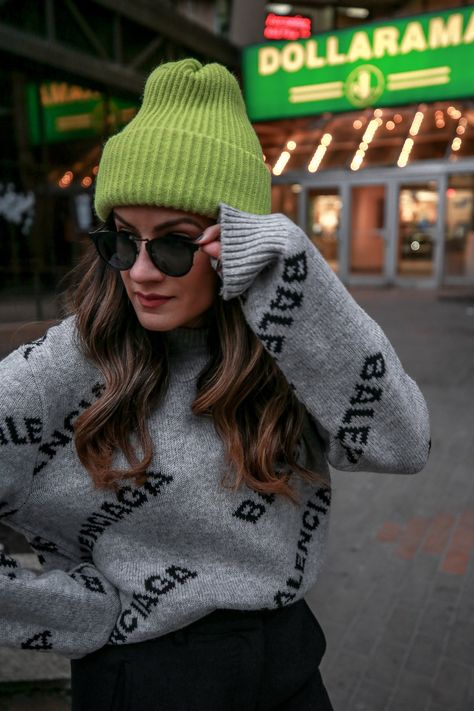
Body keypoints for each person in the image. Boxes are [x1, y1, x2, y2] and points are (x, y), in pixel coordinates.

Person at [0, 59, 431, 710]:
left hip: (287, 664)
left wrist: (299, 283)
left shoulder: (289, 348)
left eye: (172, 244)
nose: (141, 271)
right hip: (144, 680)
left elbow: (403, 442)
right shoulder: (70, 362)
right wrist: (66, 612)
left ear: (235, 241)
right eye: (122, 241)